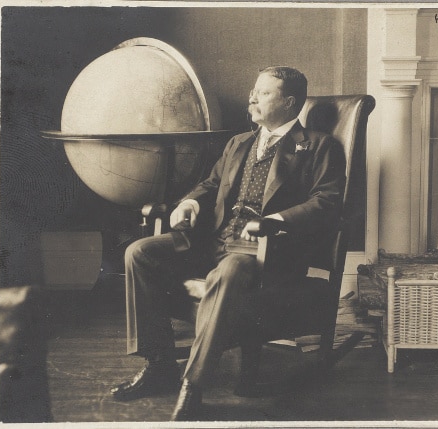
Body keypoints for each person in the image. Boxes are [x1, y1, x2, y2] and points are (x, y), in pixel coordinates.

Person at [110, 66, 346, 421]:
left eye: (263, 93)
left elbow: (326, 201)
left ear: (289, 102)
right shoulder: (239, 142)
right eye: (254, 90)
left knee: (229, 270)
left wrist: (274, 221)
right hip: (216, 241)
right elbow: (210, 185)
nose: (252, 97)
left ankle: (194, 384)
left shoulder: (318, 146)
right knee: (139, 252)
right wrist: (189, 203)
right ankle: (158, 364)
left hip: (267, 251)